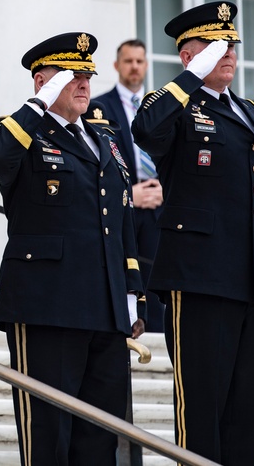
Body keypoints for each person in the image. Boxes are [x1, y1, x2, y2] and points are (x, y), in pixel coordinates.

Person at [0, 32, 144, 465]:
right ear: (42, 82)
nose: (84, 83)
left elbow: (121, 219)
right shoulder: (21, 131)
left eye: (87, 73)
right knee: (48, 436)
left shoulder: (103, 137)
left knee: (99, 439)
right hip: (46, 304)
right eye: (71, 75)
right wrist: (39, 104)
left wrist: (131, 292)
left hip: (105, 310)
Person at [132, 1, 254, 465]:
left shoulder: (251, 113)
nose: (228, 52)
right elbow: (145, 130)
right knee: (203, 408)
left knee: (248, 412)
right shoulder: (172, 104)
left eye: (231, 43)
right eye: (215, 45)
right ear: (187, 55)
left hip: (250, 281)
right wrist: (193, 77)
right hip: (197, 278)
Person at [92, 38, 165, 331]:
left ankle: (160, 332)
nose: (134, 67)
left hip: (159, 205)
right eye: (128, 61)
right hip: (123, 206)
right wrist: (129, 194)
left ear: (146, 65)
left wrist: (165, 190)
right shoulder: (99, 107)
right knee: (125, 271)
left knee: (158, 277)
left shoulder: (160, 106)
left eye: (139, 61)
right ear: (116, 65)